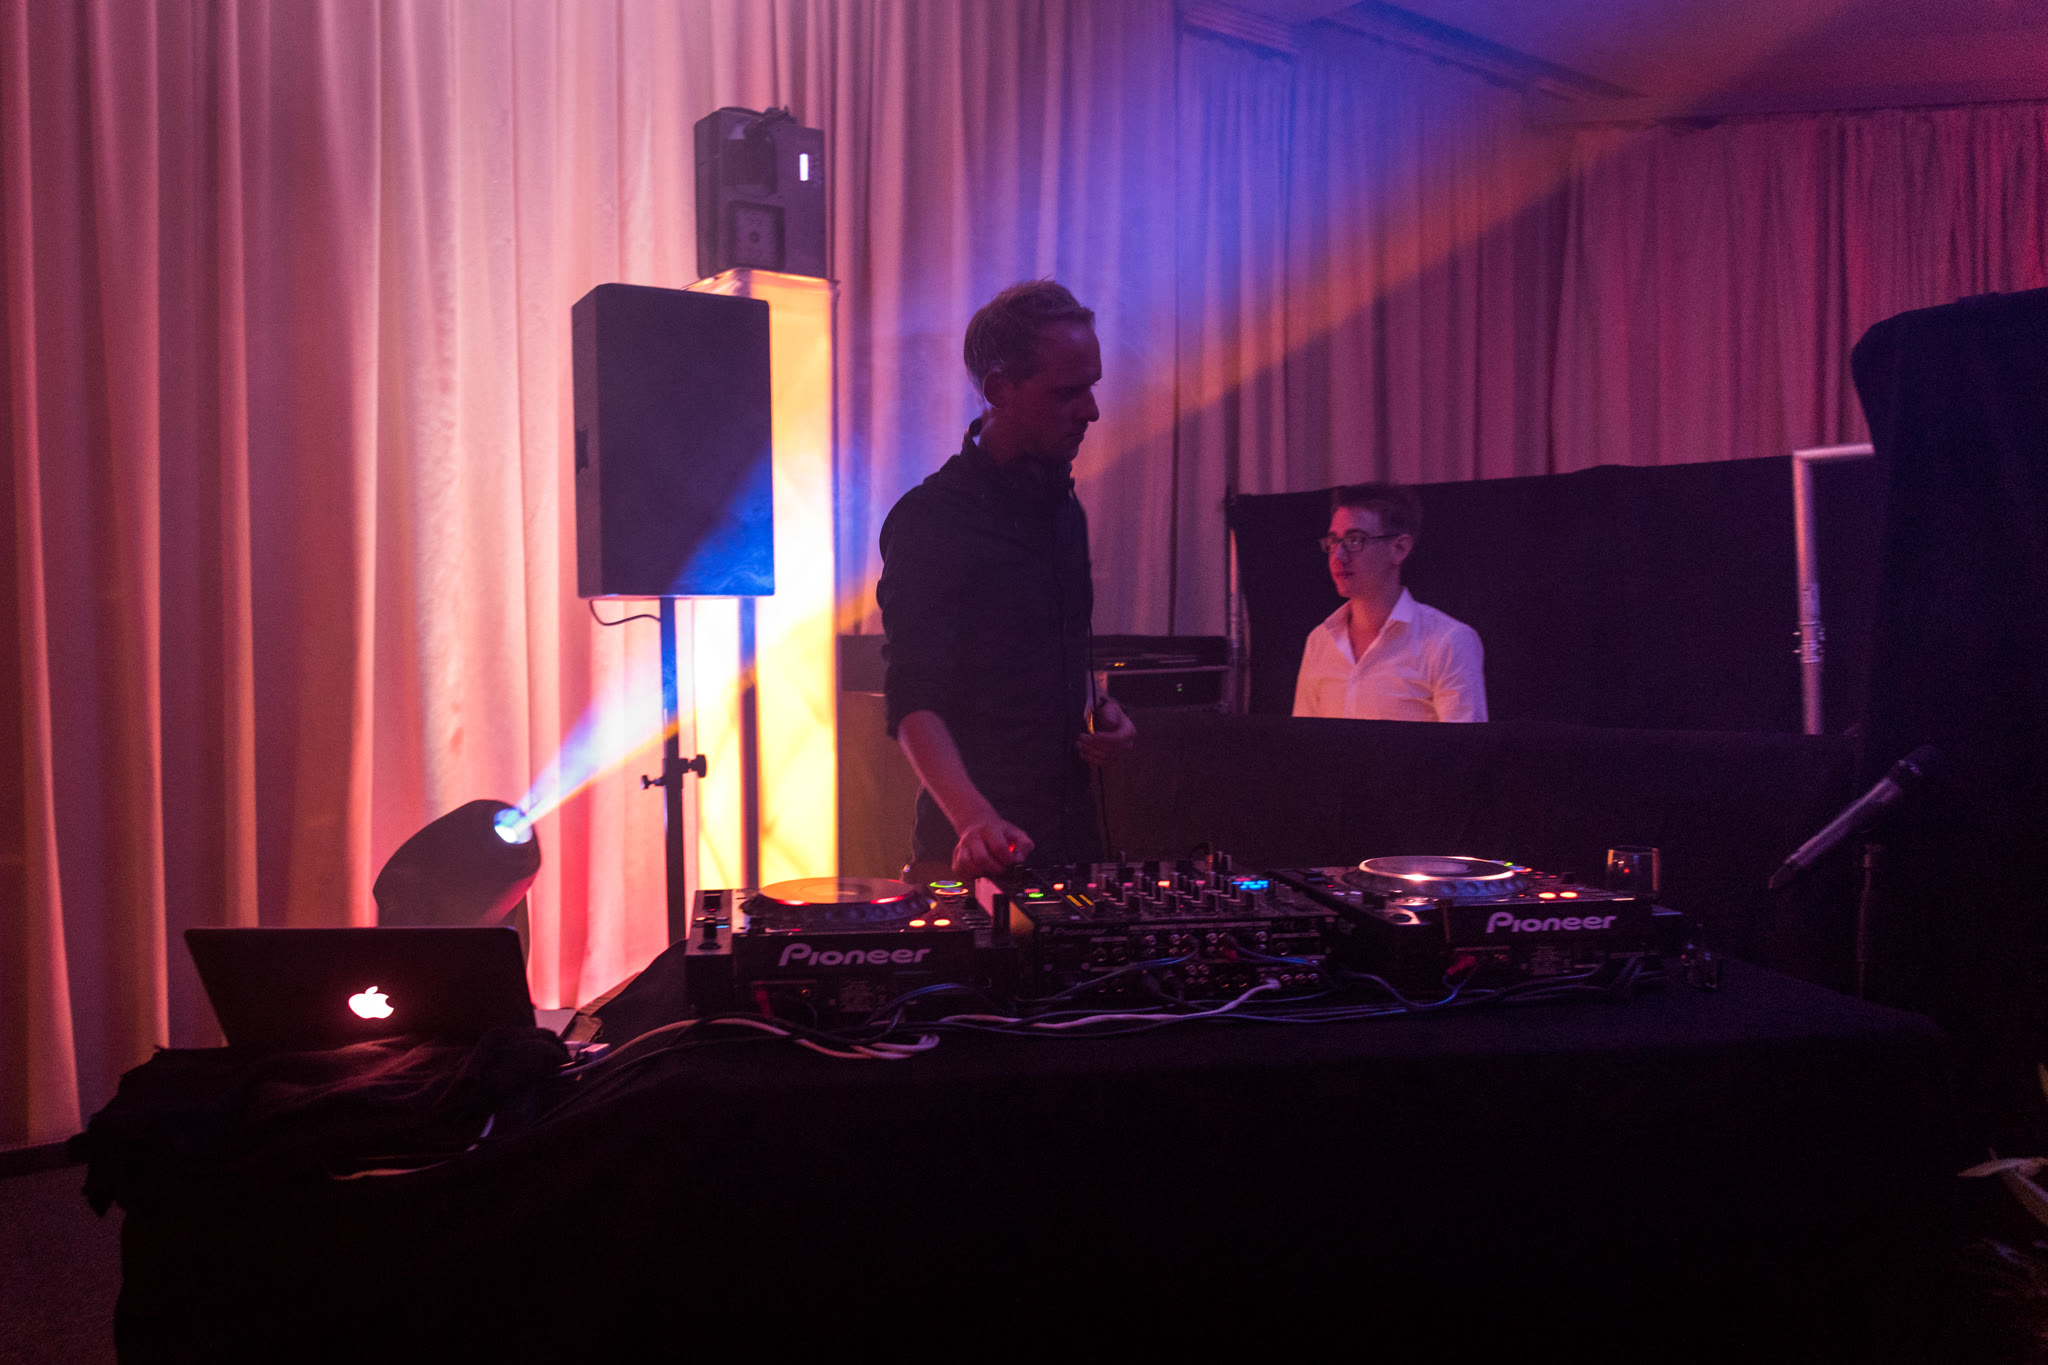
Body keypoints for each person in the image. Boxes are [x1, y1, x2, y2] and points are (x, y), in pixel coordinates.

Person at [877, 281, 1137, 878]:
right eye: (1067, 392)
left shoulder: (1063, 511)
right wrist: (974, 819)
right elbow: (914, 701)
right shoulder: (932, 519)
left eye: (1092, 387)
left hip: (1071, 848)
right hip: (971, 855)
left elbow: (1037, 664)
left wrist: (1098, 708)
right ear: (999, 390)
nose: (1091, 410)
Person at [1292, 482, 1487, 722]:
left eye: (1355, 540)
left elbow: (1464, 744)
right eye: (1334, 541)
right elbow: (1303, 740)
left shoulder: (1448, 642)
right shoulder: (1319, 641)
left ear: (1399, 548)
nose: (1339, 555)